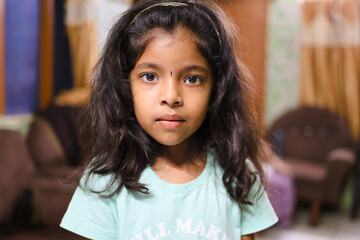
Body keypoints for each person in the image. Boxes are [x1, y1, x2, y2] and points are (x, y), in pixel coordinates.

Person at [60, 0, 278, 239]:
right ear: (124, 85)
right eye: (150, 76)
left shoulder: (237, 176)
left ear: (216, 89)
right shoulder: (104, 182)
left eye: (192, 79)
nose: (171, 97)